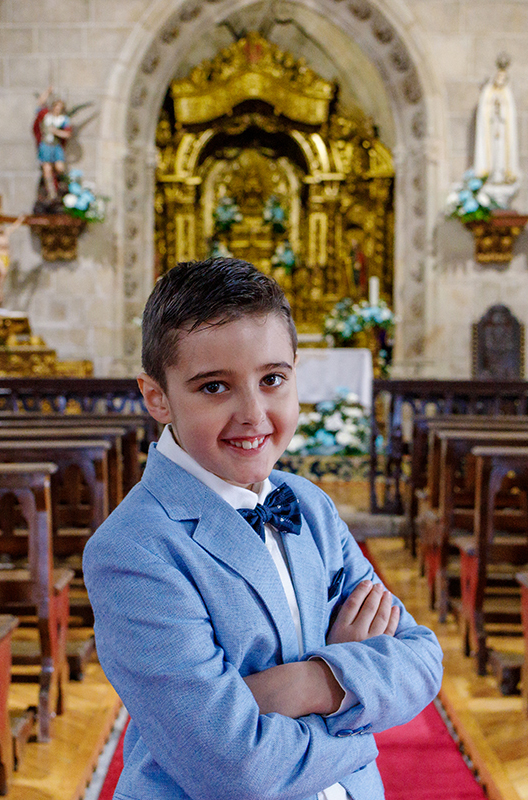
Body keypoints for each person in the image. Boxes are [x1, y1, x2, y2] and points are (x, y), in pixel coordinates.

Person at [83, 257, 444, 800]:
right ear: (157, 396)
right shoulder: (133, 549)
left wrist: (310, 680)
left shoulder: (309, 505)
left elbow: (423, 658)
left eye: (272, 379)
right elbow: (235, 766)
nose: (253, 413)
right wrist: (358, 711)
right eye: (213, 388)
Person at [473, 53, 520, 208]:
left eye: (503, 79)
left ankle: (501, 175)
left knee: (502, 155)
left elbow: (509, 116)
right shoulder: (488, 94)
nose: (500, 82)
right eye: (498, 79)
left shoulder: (507, 95)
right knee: (493, 154)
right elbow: (484, 115)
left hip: (502, 132)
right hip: (492, 131)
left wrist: (502, 113)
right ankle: (492, 176)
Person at [33, 86, 71, 202]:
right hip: (46, 145)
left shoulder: (63, 119)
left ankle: (60, 185)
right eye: (56, 107)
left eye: (60, 108)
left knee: (60, 167)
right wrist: (48, 92)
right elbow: (40, 102)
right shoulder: (46, 115)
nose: (58, 109)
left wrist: (57, 132)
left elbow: (67, 134)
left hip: (55, 145)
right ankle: (52, 192)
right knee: (47, 169)